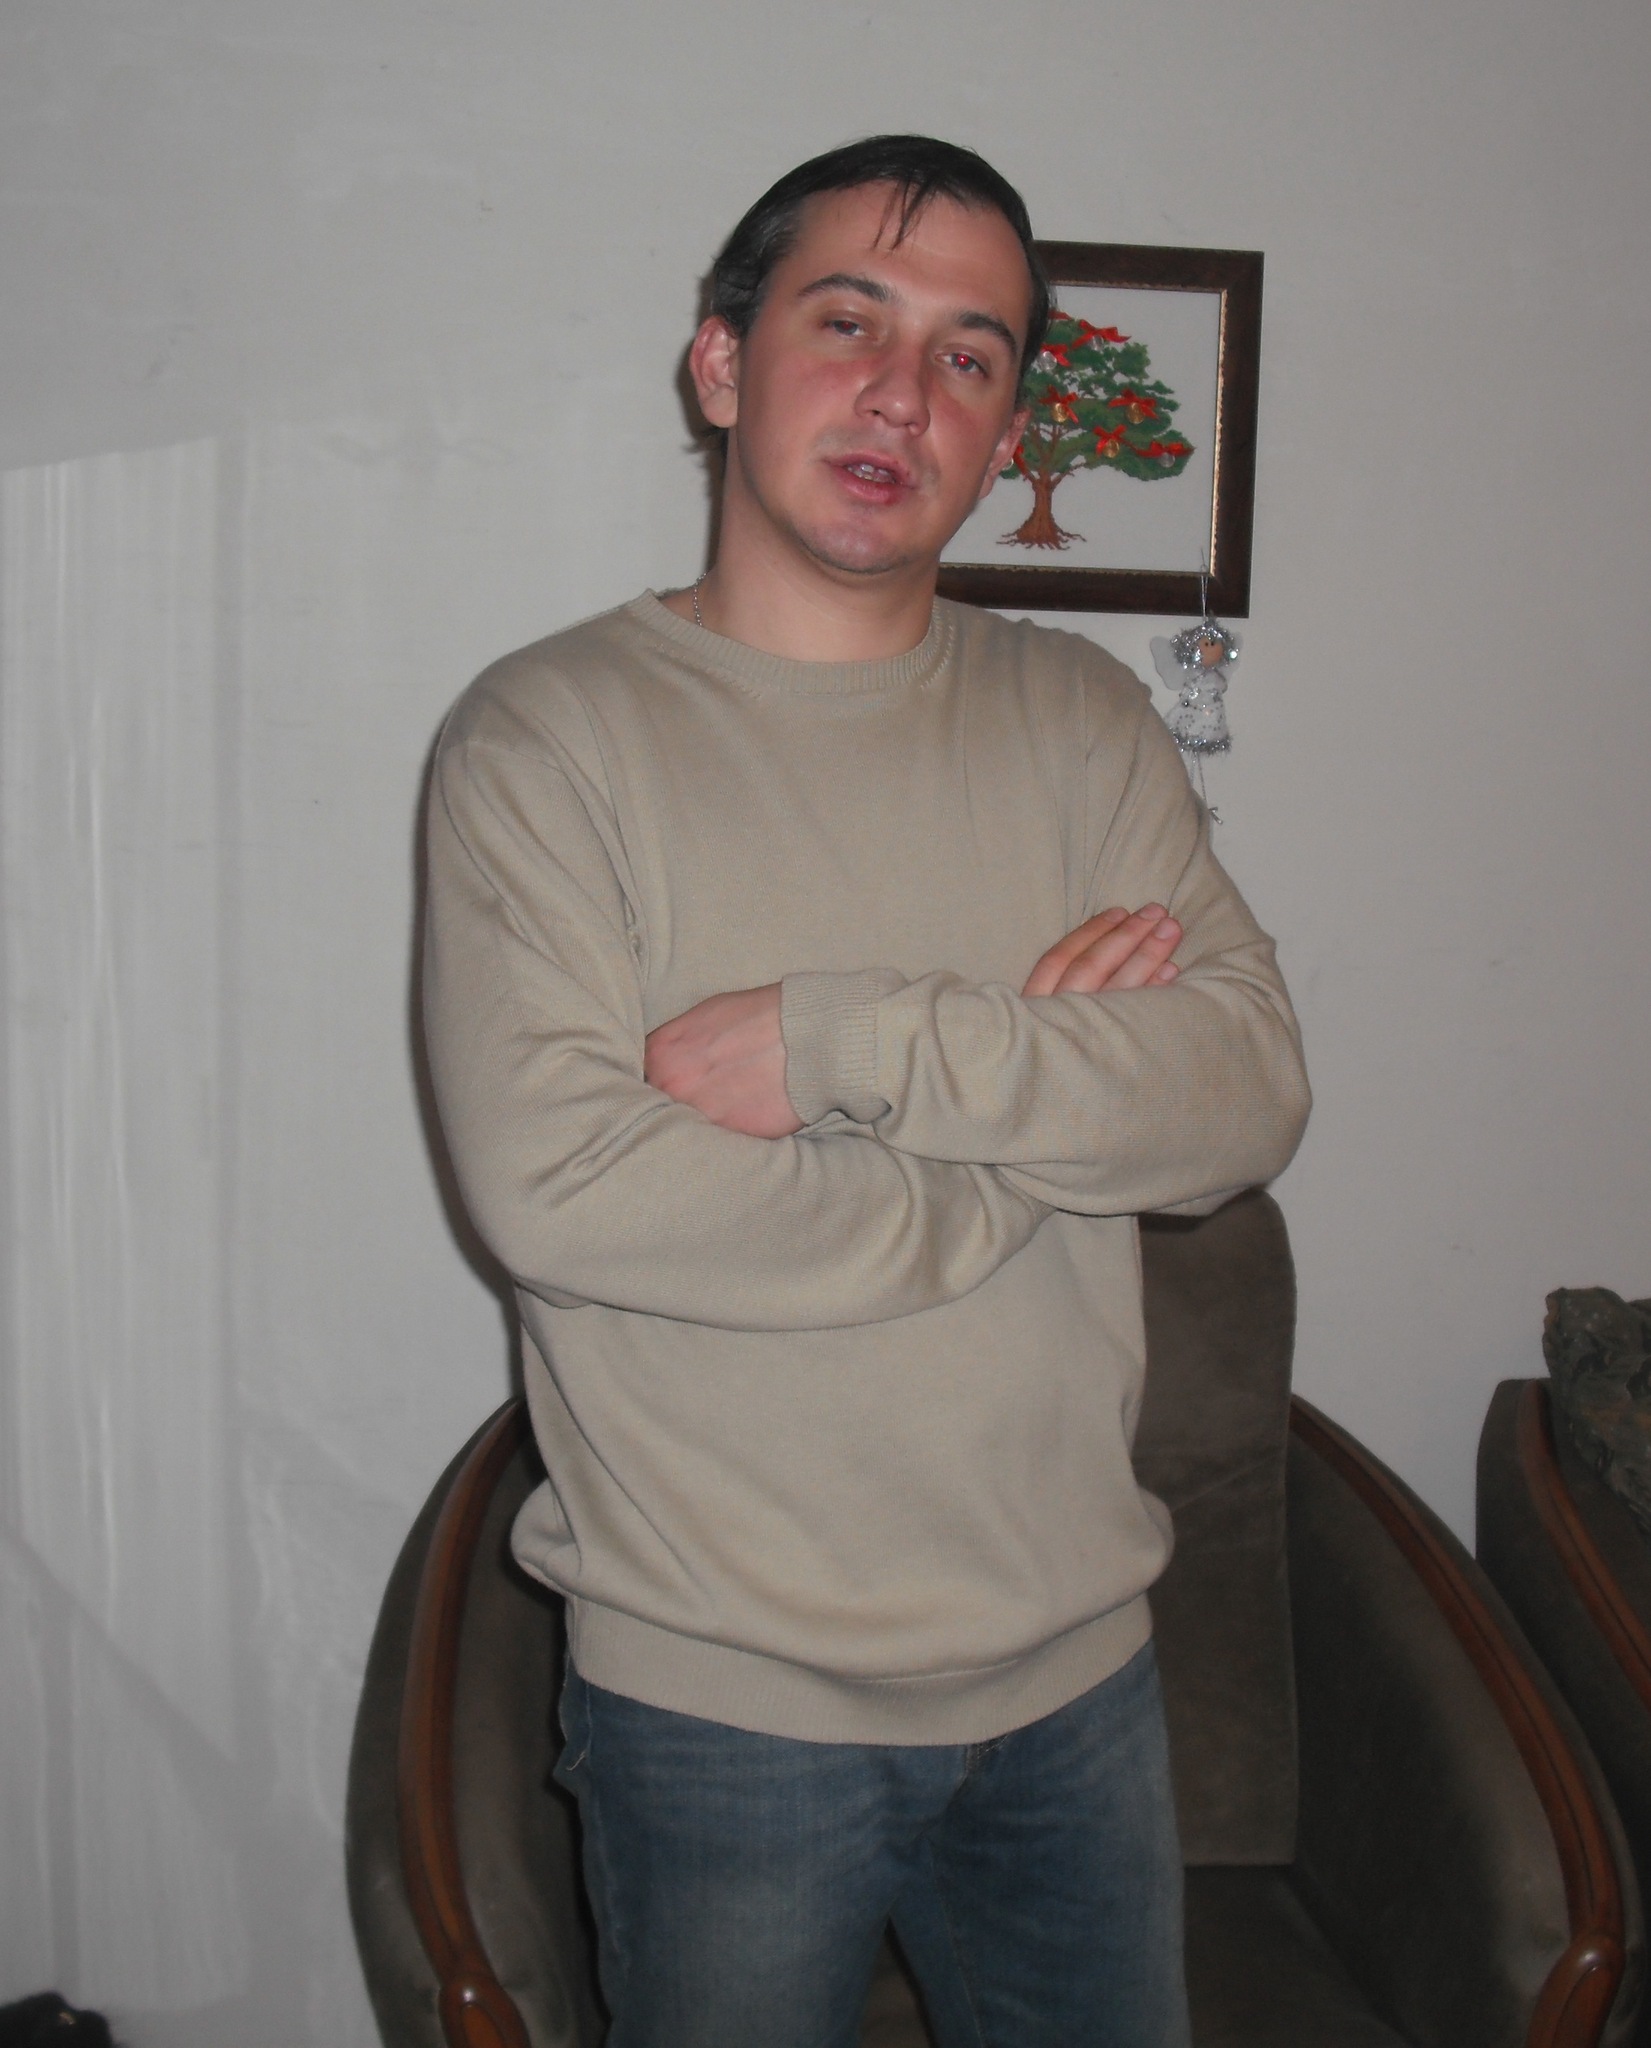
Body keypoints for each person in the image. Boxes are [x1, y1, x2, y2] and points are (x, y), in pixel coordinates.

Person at [422, 134, 1310, 2048]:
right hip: (722, 1708)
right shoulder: (545, 739)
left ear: (1007, 434)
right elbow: (569, 1193)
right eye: (849, 323)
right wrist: (1040, 1143)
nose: (907, 393)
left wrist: (851, 1044)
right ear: (720, 365)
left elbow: (1245, 1094)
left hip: (1084, 1679)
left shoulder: (1084, 723)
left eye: (970, 356)